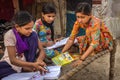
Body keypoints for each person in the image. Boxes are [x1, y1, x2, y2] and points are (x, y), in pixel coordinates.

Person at [62, 2, 113, 67]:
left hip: (103, 39)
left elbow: (95, 43)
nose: (80, 20)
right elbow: (71, 39)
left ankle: (91, 51)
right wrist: (62, 52)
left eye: (82, 17)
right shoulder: (78, 22)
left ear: (90, 15)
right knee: (78, 39)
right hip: (91, 37)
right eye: (78, 17)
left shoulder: (95, 23)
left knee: (90, 40)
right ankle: (82, 49)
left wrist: (82, 59)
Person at [0, 11, 47, 79]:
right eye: (27, 28)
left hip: (29, 61)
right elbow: (13, 60)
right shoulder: (10, 35)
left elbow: (42, 50)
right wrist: (33, 65)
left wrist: (39, 60)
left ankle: (28, 67)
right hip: (12, 63)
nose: (30, 30)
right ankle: (26, 68)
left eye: (31, 27)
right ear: (17, 27)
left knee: (33, 35)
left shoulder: (32, 33)